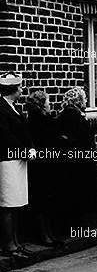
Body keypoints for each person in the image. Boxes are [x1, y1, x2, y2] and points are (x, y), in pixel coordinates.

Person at [0, 72, 35, 259]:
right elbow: (6, 136)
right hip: (7, 161)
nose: (21, 90)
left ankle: (16, 242)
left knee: (16, 203)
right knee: (8, 203)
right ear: (12, 89)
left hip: (18, 160)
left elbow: (22, 132)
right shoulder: (1, 109)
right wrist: (24, 150)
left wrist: (29, 148)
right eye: (19, 87)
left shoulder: (13, 107)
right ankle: (10, 245)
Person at [55, 86, 97, 238]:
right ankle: (80, 228)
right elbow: (85, 141)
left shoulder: (61, 116)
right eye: (85, 98)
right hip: (81, 163)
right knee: (81, 194)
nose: (86, 101)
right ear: (78, 100)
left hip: (67, 162)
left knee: (70, 194)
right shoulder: (78, 118)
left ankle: (70, 227)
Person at [25, 89, 62, 247]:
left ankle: (47, 233)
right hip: (43, 165)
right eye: (47, 101)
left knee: (44, 199)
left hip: (44, 164)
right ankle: (45, 235)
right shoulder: (40, 120)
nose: (49, 104)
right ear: (41, 104)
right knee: (42, 200)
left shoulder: (38, 119)